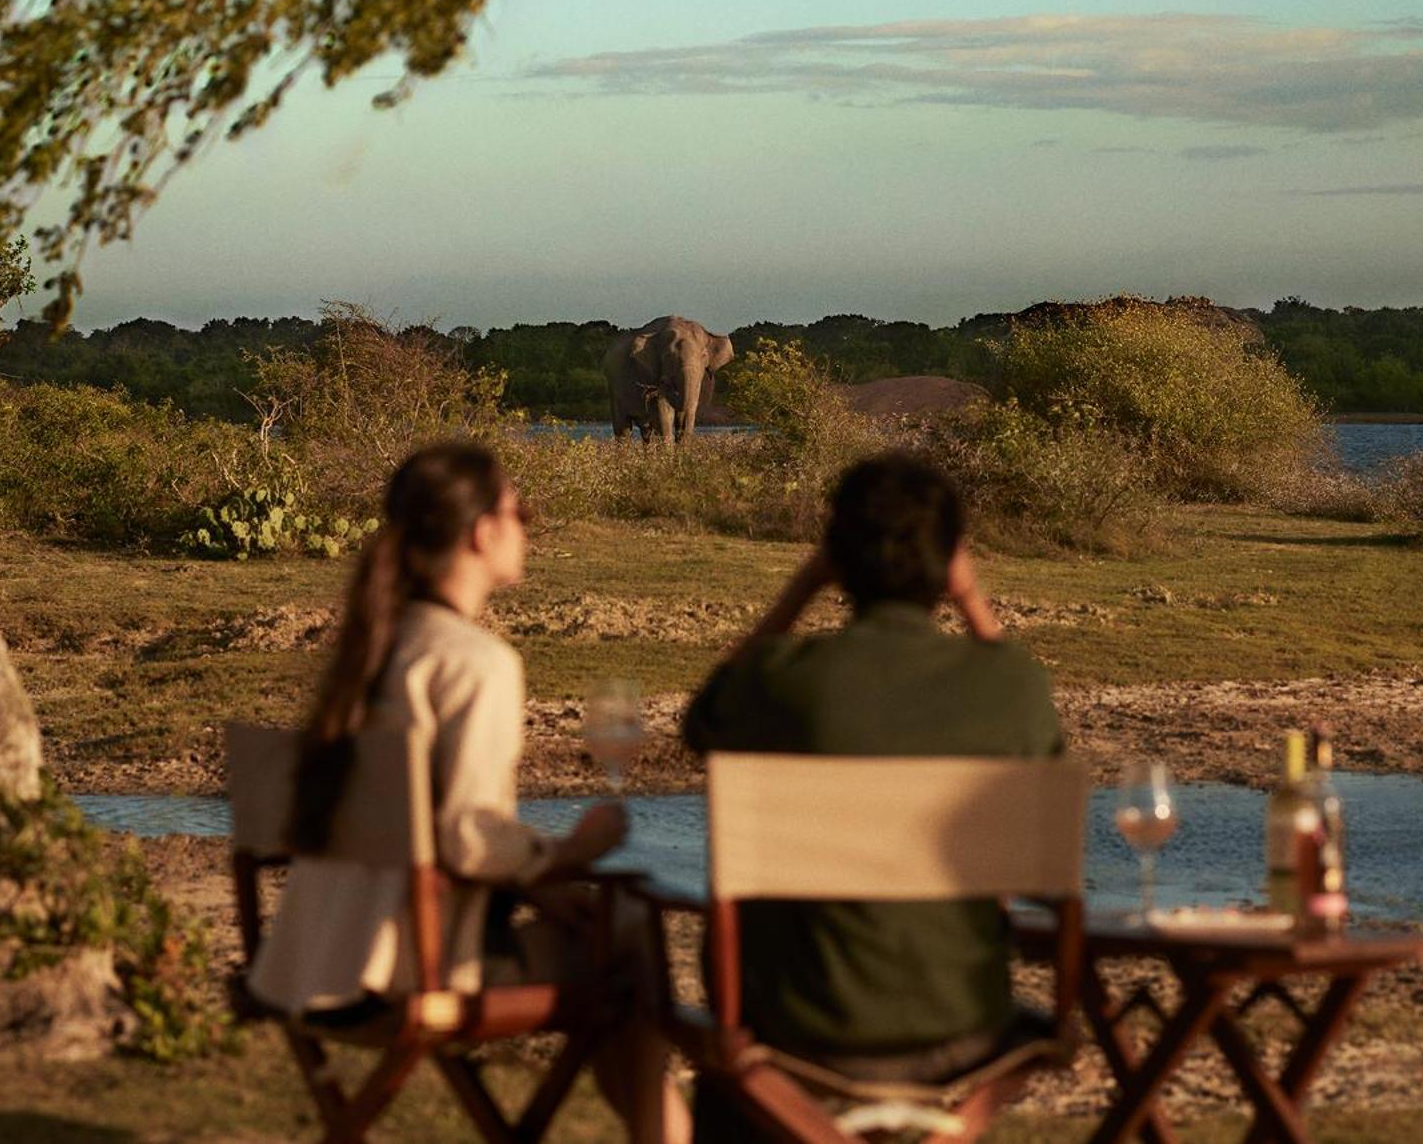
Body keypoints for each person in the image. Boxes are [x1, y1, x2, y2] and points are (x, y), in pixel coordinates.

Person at [247, 440, 688, 1144]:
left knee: (595, 931)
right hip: (402, 978)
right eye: (523, 513)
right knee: (629, 939)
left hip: (305, 967)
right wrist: (577, 849)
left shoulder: (373, 653)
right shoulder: (475, 663)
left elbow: (437, 836)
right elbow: (468, 837)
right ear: (483, 531)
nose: (528, 529)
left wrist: (543, 880)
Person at [682, 451, 1063, 1133]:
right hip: (963, 1031)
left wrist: (799, 591)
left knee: (721, 1073)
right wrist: (974, 604)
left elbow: (703, 719)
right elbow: (1048, 767)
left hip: (797, 1032)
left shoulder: (778, 679)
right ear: (951, 562)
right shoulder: (1012, 686)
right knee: (1039, 1030)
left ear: (837, 558)